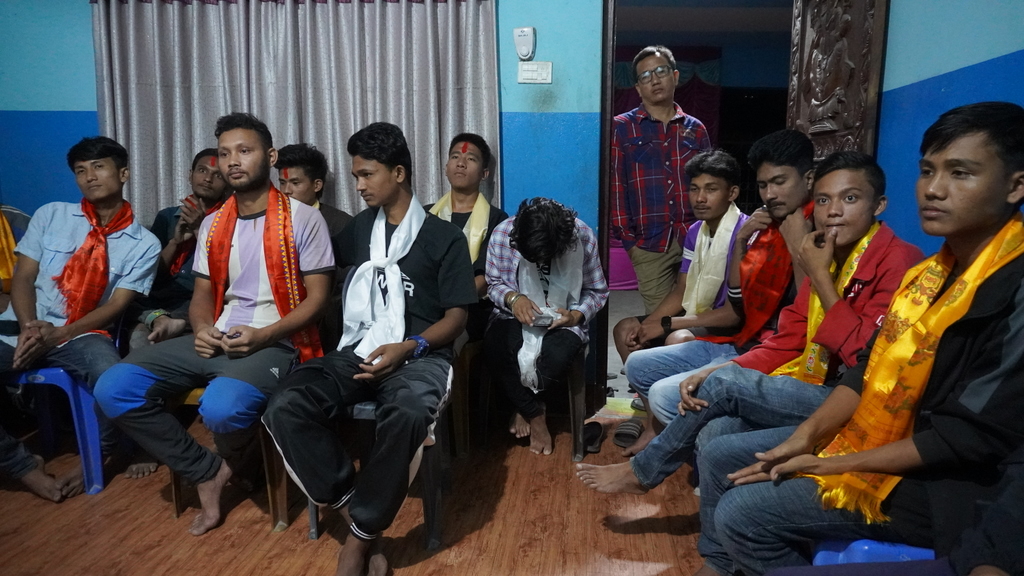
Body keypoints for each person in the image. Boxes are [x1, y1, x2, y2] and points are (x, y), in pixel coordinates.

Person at [694, 102, 1024, 576]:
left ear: (1015, 186)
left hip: (948, 483)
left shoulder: (997, 285)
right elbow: (865, 365)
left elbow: (965, 439)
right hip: (870, 429)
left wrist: (833, 464)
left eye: (961, 173)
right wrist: (807, 437)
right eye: (927, 171)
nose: (933, 189)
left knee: (742, 508)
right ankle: (723, 559)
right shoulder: (931, 275)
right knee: (721, 437)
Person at [577, 152, 923, 495]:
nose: (833, 211)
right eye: (823, 200)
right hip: (778, 358)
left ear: (879, 205)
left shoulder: (891, 260)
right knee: (711, 424)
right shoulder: (771, 235)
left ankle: (645, 471)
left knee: (713, 383)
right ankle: (693, 483)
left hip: (851, 394)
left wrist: (816, 274)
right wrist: (716, 367)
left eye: (850, 199)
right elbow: (784, 333)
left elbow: (864, 361)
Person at [94, 112, 333, 536]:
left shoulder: (303, 218)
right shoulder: (214, 222)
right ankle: (206, 470)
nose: (232, 161)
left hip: (277, 341)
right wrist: (202, 328)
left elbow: (317, 300)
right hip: (218, 334)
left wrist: (265, 334)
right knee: (112, 388)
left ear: (270, 156)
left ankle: (241, 461)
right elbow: (202, 295)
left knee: (222, 408)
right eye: (225, 153)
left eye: (244, 150)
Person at [263, 122, 477, 576]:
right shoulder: (358, 229)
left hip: (420, 355)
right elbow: (312, 269)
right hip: (359, 349)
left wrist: (410, 346)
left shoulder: (444, 238)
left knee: (409, 412)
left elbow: (457, 317)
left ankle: (357, 540)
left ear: (398, 173)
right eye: (355, 176)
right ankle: (361, 521)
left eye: (366, 174)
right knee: (285, 404)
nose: (358, 185)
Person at [617, 129, 816, 455]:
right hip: (747, 338)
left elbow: (751, 315)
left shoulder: (806, 228)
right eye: (763, 185)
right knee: (634, 348)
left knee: (668, 377)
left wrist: (668, 324)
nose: (770, 194)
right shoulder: (755, 229)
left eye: (779, 182)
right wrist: (741, 243)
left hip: (758, 342)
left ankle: (675, 447)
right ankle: (662, 433)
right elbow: (727, 296)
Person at [0, 136, 161, 493]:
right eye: (80, 170)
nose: (89, 177)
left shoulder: (144, 244)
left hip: (82, 333)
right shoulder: (51, 214)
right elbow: (23, 278)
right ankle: (22, 466)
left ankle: (100, 454)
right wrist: (29, 327)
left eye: (99, 167)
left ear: (123, 173)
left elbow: (116, 306)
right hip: (23, 326)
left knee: (113, 380)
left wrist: (59, 334)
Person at [484, 198, 609, 456]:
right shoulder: (503, 234)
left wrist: (575, 316)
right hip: (511, 316)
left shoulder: (582, 237)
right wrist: (514, 299)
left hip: (564, 319)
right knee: (497, 347)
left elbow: (597, 291)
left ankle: (524, 407)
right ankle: (536, 413)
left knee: (556, 356)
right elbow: (493, 283)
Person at [610, 45, 712, 314]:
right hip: (649, 244)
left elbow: (710, 184)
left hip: (695, 238)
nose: (654, 80)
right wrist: (630, 243)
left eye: (660, 71)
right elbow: (616, 187)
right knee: (661, 322)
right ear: (638, 87)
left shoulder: (696, 129)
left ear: (675, 76)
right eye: (645, 76)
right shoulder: (621, 128)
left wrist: (711, 231)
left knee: (697, 314)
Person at [129, 148, 229, 349]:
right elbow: (151, 274)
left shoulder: (230, 220)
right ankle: (160, 319)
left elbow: (226, 275)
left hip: (199, 298)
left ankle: (167, 321)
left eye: (218, 175)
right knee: (124, 299)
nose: (208, 179)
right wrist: (175, 242)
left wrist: (200, 229)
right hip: (160, 297)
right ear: (190, 175)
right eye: (202, 170)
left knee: (143, 336)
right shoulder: (167, 217)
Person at [426, 133, 508, 341]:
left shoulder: (497, 219)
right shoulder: (425, 215)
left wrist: (448, 302)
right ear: (446, 167)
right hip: (425, 304)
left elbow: (485, 278)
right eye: (455, 157)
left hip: (471, 309)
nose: (460, 163)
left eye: (470, 159)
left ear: (484, 174)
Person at [275, 142, 352, 238]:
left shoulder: (341, 224)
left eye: (295, 183)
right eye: (282, 183)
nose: (286, 190)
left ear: (317, 185)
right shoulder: (271, 219)